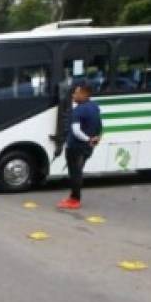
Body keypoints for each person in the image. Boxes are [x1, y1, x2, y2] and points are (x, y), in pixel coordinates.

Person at [58, 82, 102, 210]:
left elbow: (76, 131)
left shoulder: (78, 110)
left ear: (85, 94)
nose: (73, 95)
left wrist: (88, 139)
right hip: (88, 147)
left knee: (75, 173)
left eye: (76, 93)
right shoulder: (94, 106)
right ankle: (73, 196)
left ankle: (74, 199)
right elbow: (100, 124)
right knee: (78, 171)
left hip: (76, 147)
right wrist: (95, 138)